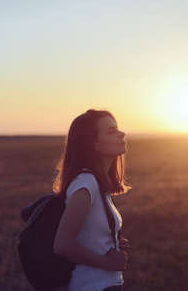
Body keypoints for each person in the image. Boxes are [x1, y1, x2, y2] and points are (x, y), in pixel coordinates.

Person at [52, 109, 131, 291]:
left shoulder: (97, 183)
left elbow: (87, 235)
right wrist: (107, 262)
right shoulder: (86, 183)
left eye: (117, 129)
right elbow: (62, 244)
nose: (122, 134)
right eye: (111, 131)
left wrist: (111, 241)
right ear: (93, 144)